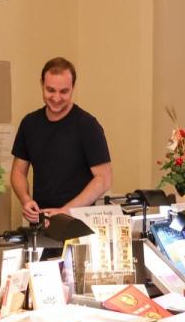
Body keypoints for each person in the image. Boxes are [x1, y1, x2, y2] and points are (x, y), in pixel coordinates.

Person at [11, 58, 112, 223]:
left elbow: (104, 178)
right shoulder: (29, 123)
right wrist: (25, 199)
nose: (56, 98)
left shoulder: (87, 125)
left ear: (73, 88)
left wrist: (66, 211)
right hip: (41, 223)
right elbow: (18, 172)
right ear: (41, 85)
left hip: (78, 223)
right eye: (50, 90)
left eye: (64, 91)